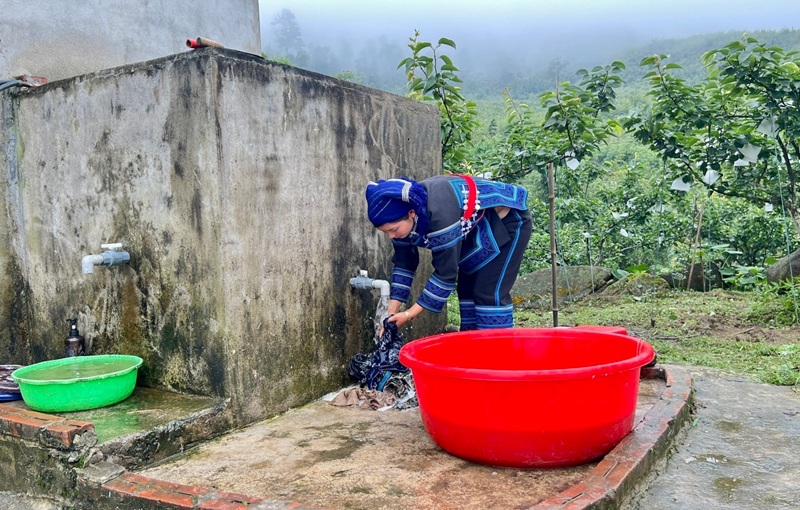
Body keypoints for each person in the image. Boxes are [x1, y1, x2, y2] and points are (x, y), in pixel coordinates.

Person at [365, 174, 532, 330]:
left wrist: (408, 314)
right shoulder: (402, 220)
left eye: (393, 230)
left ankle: (497, 355)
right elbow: (404, 263)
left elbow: (445, 273)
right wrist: (391, 311)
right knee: (466, 290)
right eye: (385, 232)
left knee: (488, 293)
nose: (391, 236)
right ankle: (473, 352)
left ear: (411, 213)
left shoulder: (438, 213)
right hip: (477, 228)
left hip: (510, 219)